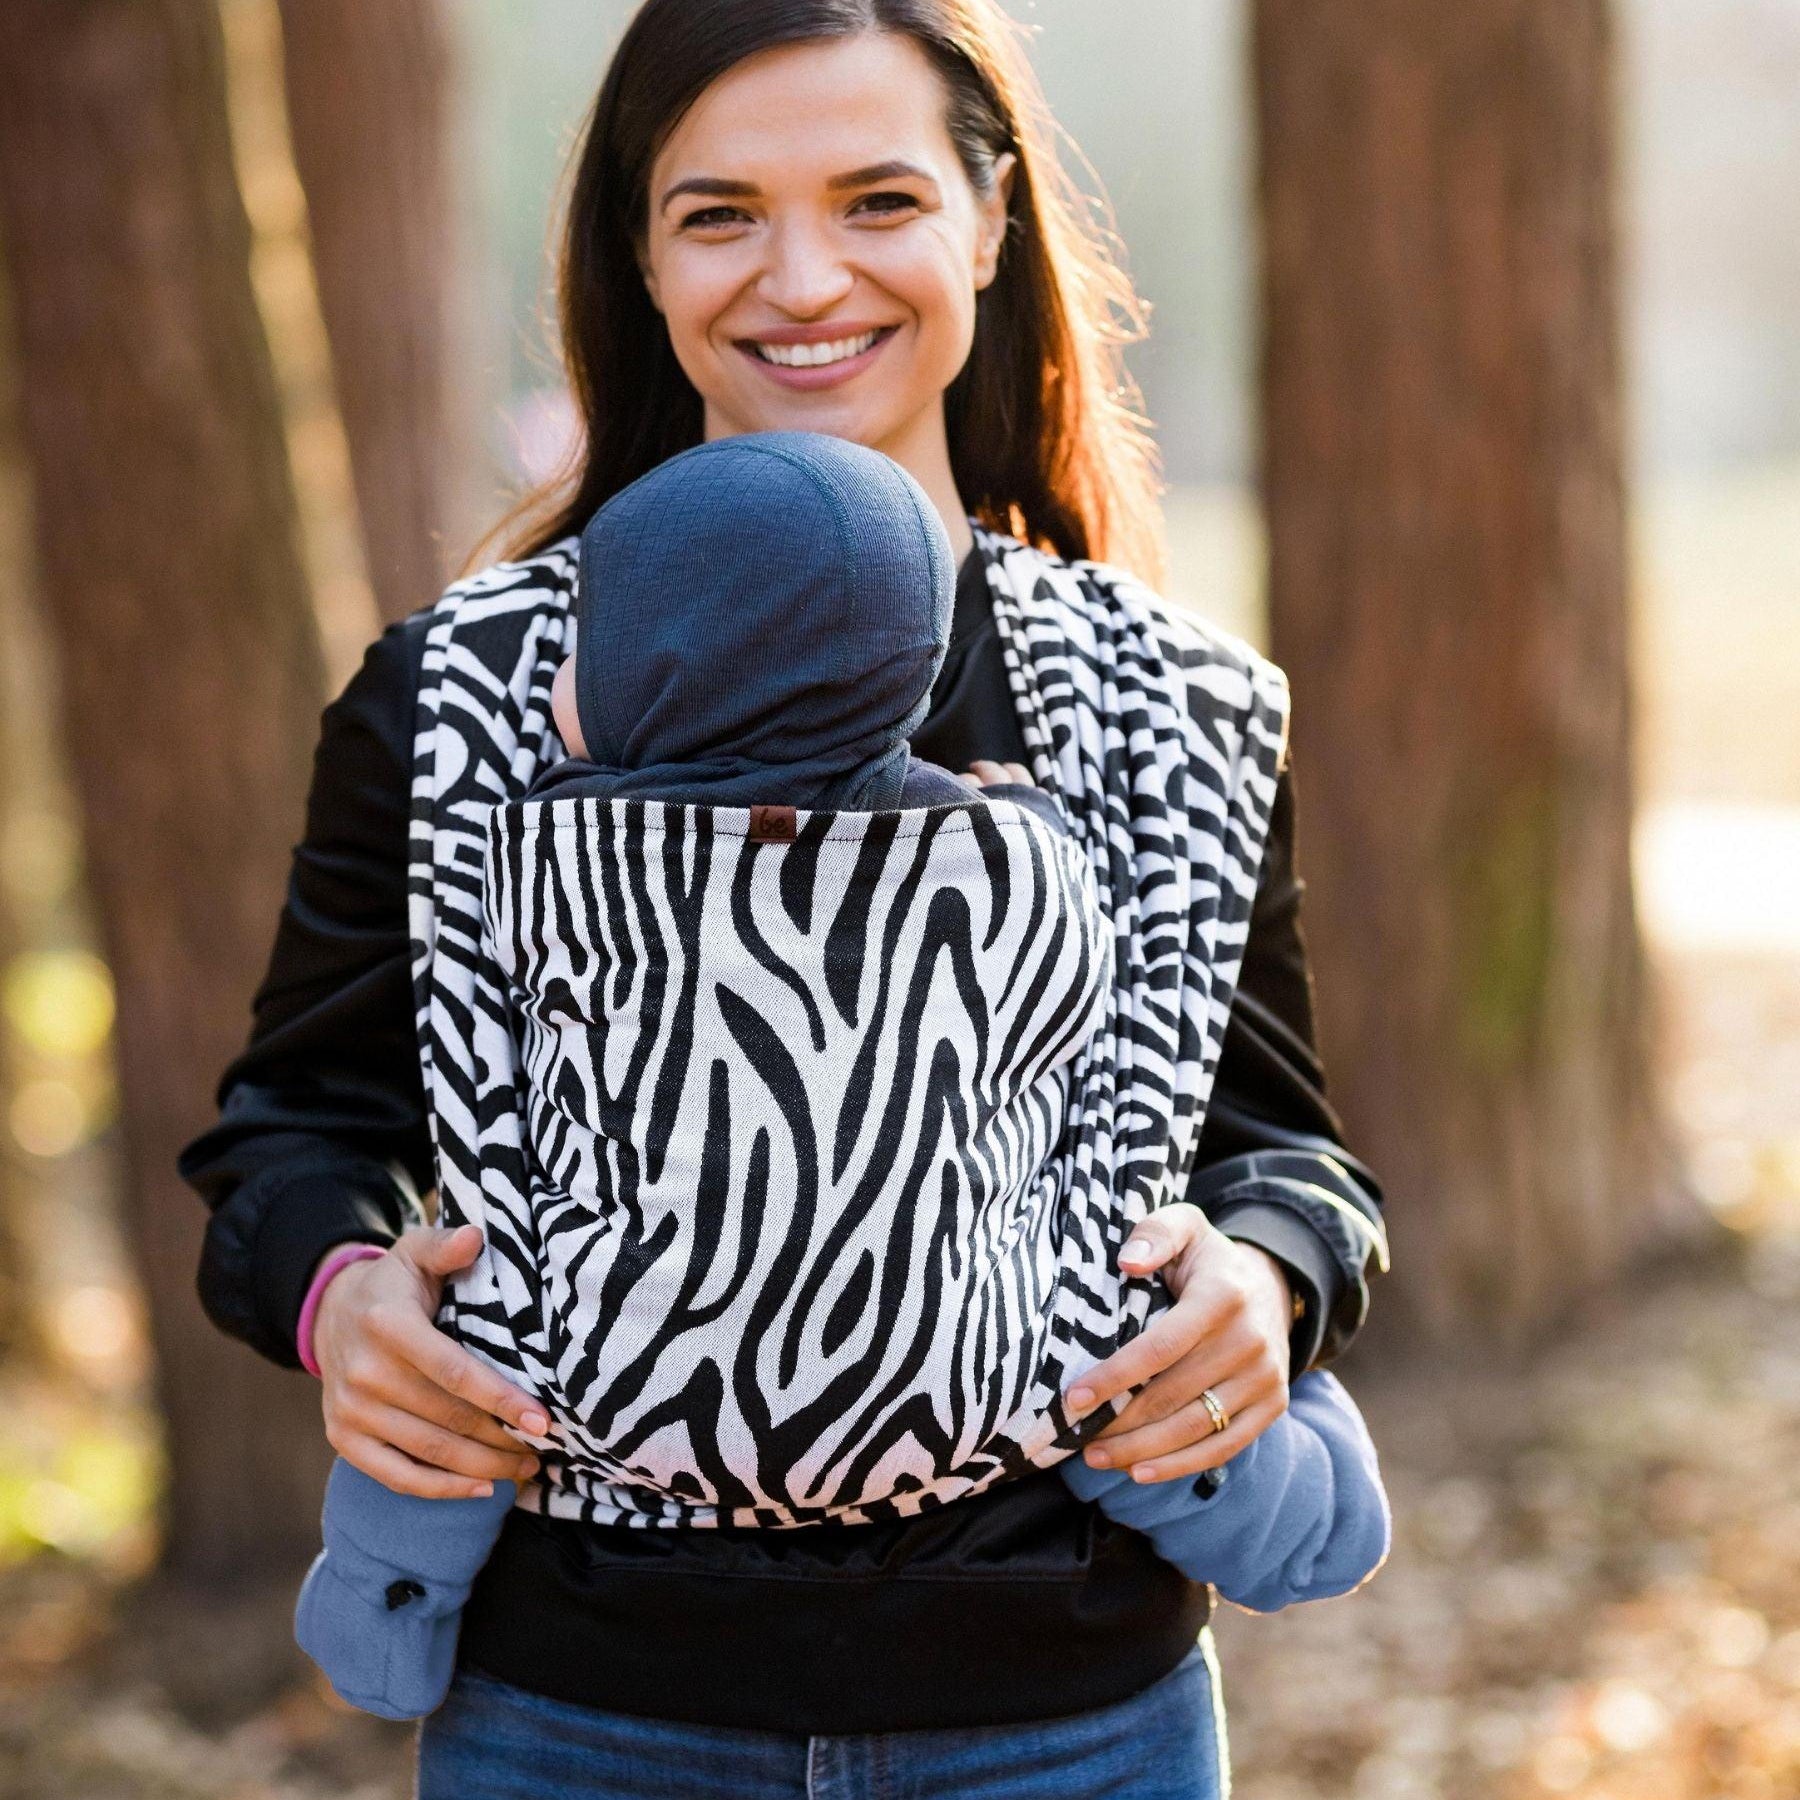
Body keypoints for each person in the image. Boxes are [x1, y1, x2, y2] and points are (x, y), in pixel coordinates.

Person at [181, 3, 1390, 1793]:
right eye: (720, 211)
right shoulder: (455, 699)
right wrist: (345, 1295)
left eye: (878, 199)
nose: (802, 276)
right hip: (579, 1712)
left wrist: (1272, 1279)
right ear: (642, 259)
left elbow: (1286, 1156)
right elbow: (290, 1136)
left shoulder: (1173, 706)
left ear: (991, 224)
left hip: (1071, 1718)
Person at [290, 430, 1389, 1723]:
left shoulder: (544, 852)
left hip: (607, 1392)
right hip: (988, 1382)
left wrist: (1276, 1266)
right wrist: (1014, 824)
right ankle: (1297, 1522)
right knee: (1103, 1349)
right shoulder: (1015, 859)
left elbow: (1277, 1134)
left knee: (484, 1332)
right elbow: (1082, 1004)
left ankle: (385, 1606)